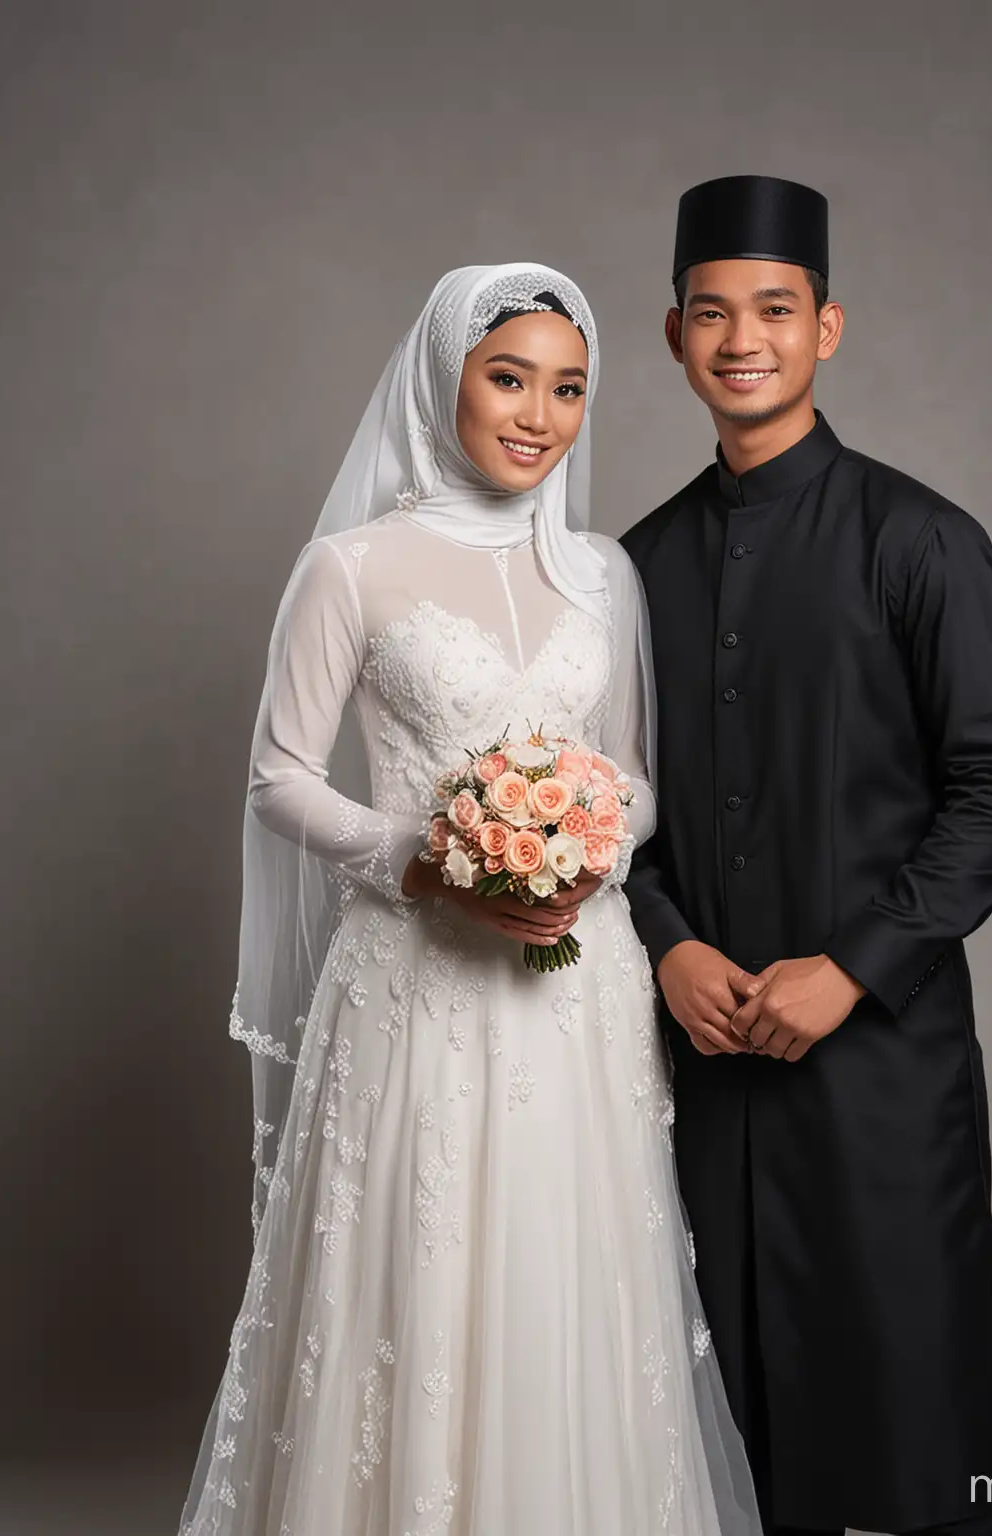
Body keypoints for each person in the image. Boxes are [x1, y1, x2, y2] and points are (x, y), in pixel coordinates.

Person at [181, 263, 761, 1536]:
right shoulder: (351, 567)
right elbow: (279, 775)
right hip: (415, 986)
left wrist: (588, 837)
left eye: (569, 389)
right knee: (417, 1277)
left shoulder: (604, 574)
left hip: (580, 990)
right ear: (442, 380)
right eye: (509, 379)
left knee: (570, 1279)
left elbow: (640, 779)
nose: (539, 416)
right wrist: (431, 859)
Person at [621, 176, 992, 1536]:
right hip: (696, 1073)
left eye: (776, 310)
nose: (743, 338)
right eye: (712, 313)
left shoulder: (920, 541)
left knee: (926, 1422)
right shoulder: (631, 572)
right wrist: (669, 936)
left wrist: (854, 969)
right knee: (727, 1433)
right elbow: (609, 808)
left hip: (878, 1067)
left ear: (828, 328)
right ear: (674, 336)